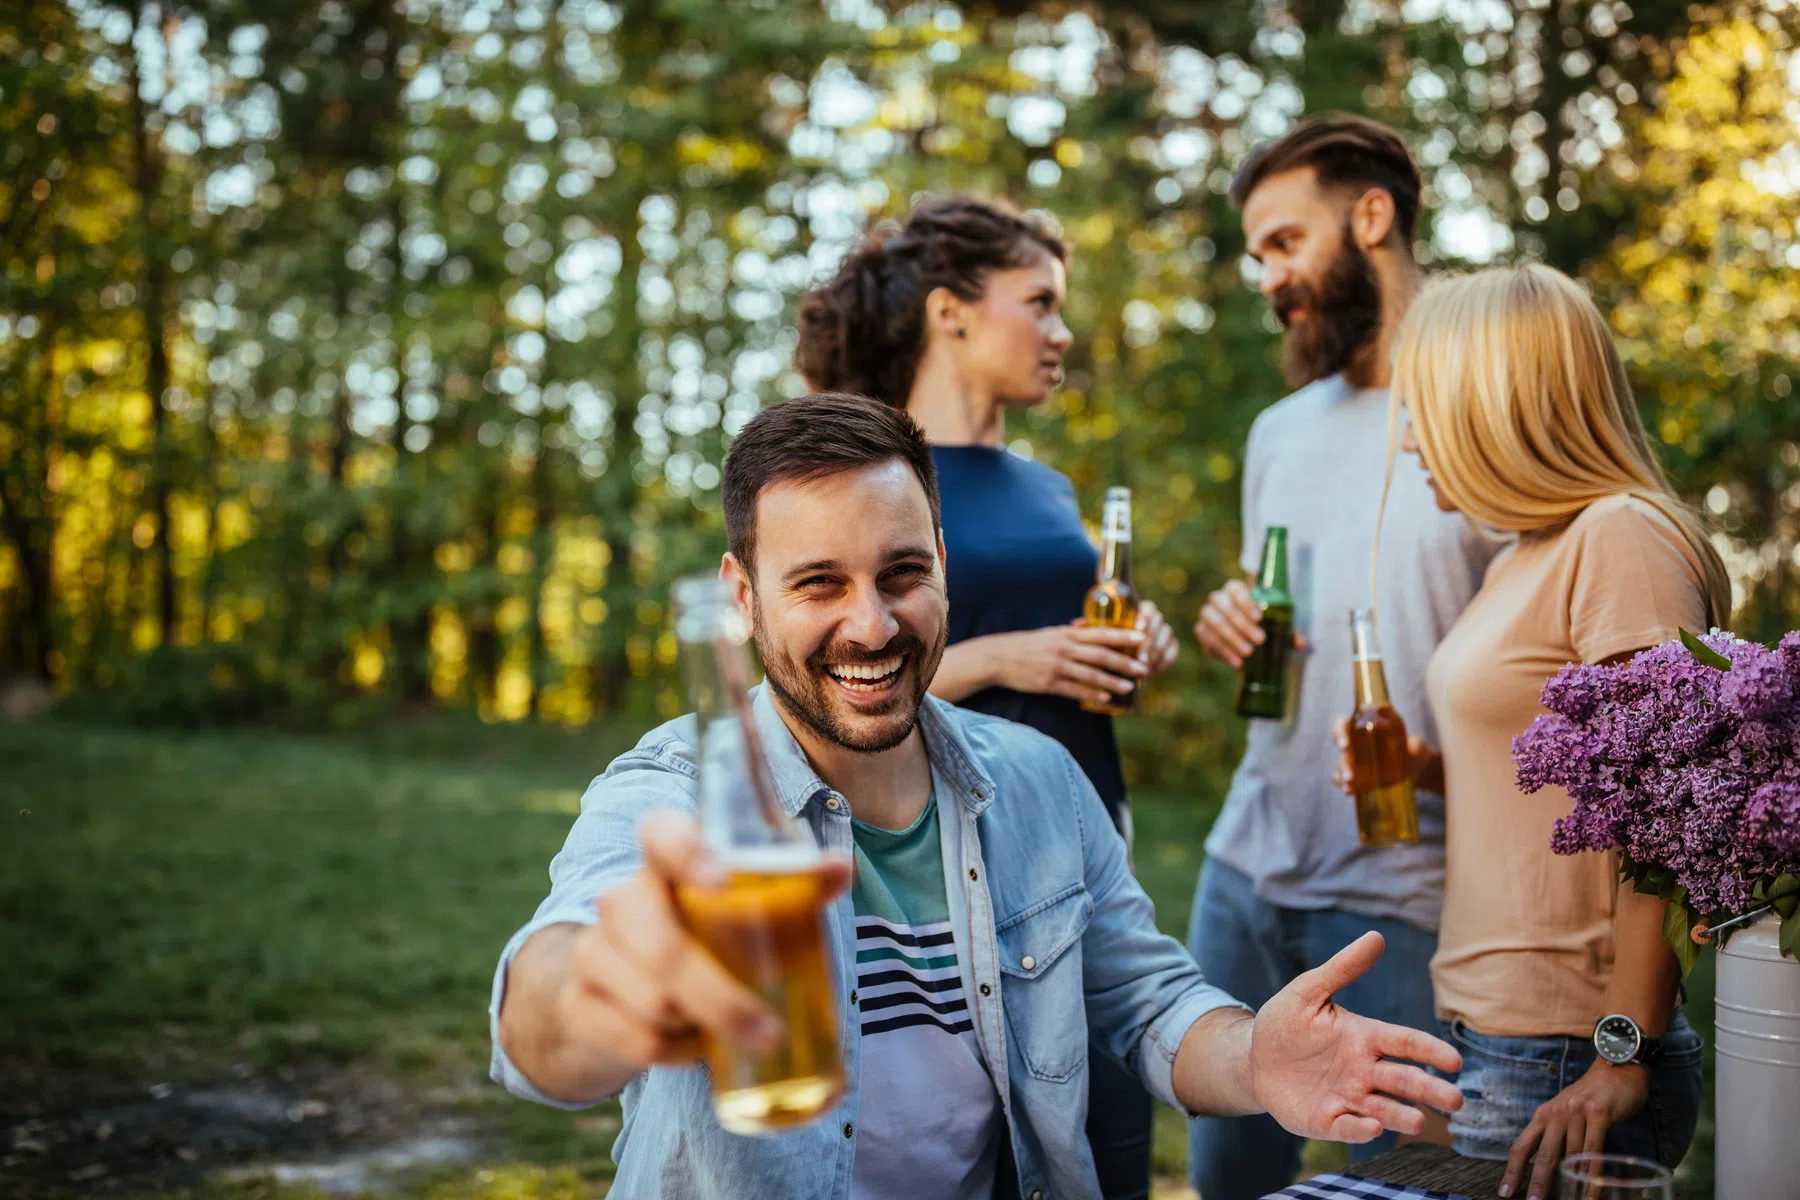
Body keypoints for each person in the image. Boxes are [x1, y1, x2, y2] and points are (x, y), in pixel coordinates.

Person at [490, 392, 1464, 1200]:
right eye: (818, 584)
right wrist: (602, 999)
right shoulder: (671, 796)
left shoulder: (1038, 778)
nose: (871, 624)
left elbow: (1146, 1002)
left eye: (902, 573)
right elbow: (542, 1014)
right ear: (742, 597)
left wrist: (1254, 1058)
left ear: (944, 567)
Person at [793, 194, 1178, 1198]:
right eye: (1039, 303)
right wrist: (1010, 659)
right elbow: (815, 681)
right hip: (927, 871)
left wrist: (1134, 645)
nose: (1061, 333)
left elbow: (1073, 634)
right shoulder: (862, 475)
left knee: (1102, 1136)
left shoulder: (1047, 486)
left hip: (1077, 838)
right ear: (949, 311)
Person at [1333, 263, 1724, 1200]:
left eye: (1425, 405)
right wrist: (1426, 769)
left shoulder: (1621, 537)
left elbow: (1666, 821)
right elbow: (1555, 778)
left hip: (1567, 1051)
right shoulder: (1526, 552)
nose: (1411, 435)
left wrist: (1620, 1054)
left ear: (1495, 402)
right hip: (1487, 1032)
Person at [1185, 113, 1501, 1200]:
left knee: (1409, 1187)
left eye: (1284, 242)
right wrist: (1236, 622)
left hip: (1407, 898)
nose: (1266, 276)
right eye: (1257, 253)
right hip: (1241, 875)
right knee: (1225, 1182)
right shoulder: (1277, 430)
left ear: (1372, 217)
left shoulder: (1488, 405)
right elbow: (1284, 635)